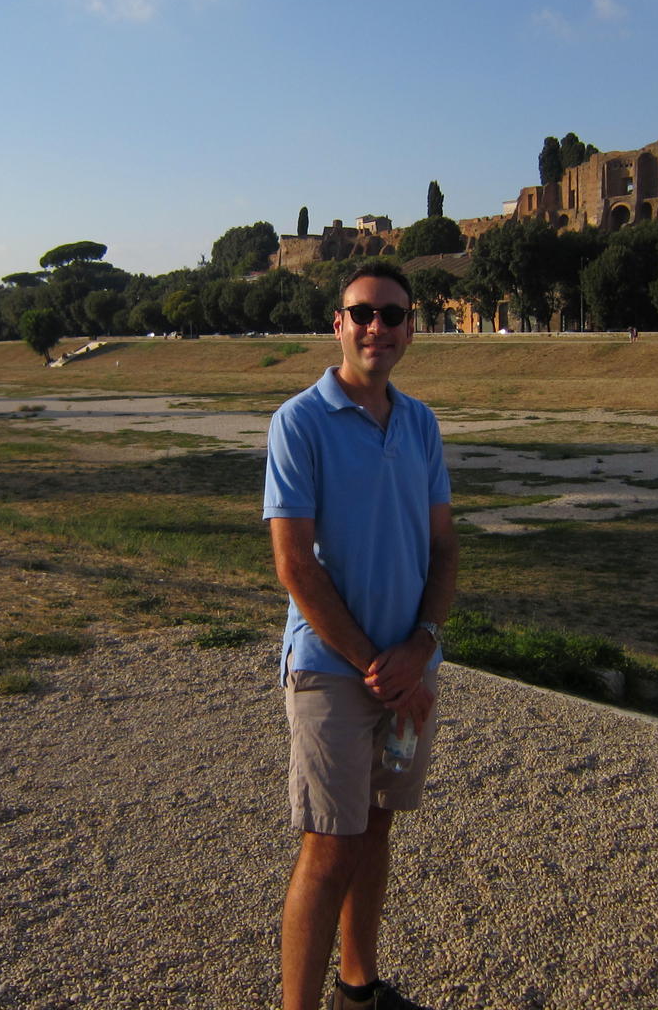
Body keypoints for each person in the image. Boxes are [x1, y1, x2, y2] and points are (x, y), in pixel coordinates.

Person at [264, 260, 458, 1010]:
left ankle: (359, 990)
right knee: (330, 844)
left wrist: (422, 646)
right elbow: (294, 564)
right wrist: (379, 664)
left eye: (394, 314)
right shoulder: (299, 422)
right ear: (338, 324)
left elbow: (443, 549)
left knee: (376, 827)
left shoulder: (421, 423)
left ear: (411, 329)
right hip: (333, 669)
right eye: (364, 313)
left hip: (408, 666)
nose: (379, 326)